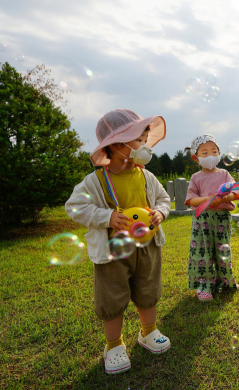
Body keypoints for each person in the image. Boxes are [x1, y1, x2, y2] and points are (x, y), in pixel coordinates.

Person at [65, 109, 171, 375]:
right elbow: (74, 207)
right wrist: (107, 216)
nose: (144, 147)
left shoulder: (146, 176)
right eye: (139, 141)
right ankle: (113, 345)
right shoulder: (96, 181)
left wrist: (160, 211)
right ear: (115, 145)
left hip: (146, 246)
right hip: (112, 251)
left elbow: (163, 199)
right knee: (112, 296)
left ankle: (148, 332)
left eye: (145, 141)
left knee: (148, 288)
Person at [184, 135, 239, 301]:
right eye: (205, 152)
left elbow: (236, 193)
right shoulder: (196, 177)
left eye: (214, 151)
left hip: (221, 219)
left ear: (219, 153)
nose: (210, 155)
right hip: (202, 220)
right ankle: (204, 285)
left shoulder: (224, 174)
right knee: (203, 252)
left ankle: (225, 281)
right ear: (196, 157)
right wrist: (209, 198)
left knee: (222, 251)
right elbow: (191, 200)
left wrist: (224, 198)